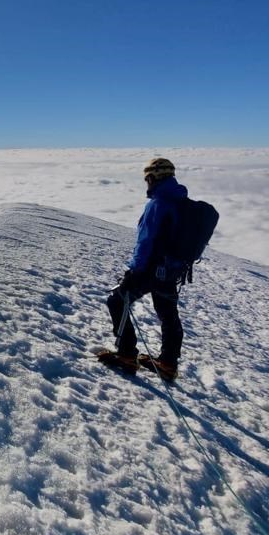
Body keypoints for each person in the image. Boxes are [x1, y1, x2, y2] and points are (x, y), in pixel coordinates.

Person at [98, 157, 187, 380]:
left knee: (117, 301)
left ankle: (127, 355)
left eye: (147, 177)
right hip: (173, 270)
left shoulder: (157, 204)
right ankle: (168, 363)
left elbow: (146, 242)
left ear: (152, 177)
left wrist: (134, 271)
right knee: (168, 314)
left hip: (151, 269)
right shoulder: (181, 202)